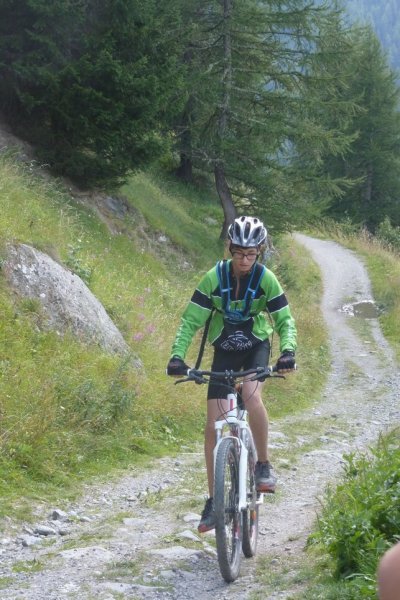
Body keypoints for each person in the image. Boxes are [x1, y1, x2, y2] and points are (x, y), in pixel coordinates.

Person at [166, 215, 297, 533]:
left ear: (260, 252)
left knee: (251, 396)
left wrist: (287, 351)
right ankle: (214, 500)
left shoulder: (267, 279)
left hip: (255, 344)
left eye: (251, 254)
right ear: (230, 249)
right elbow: (190, 320)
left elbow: (284, 319)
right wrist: (177, 356)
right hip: (224, 346)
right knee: (213, 425)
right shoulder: (214, 277)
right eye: (239, 253)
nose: (244, 260)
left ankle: (263, 465)